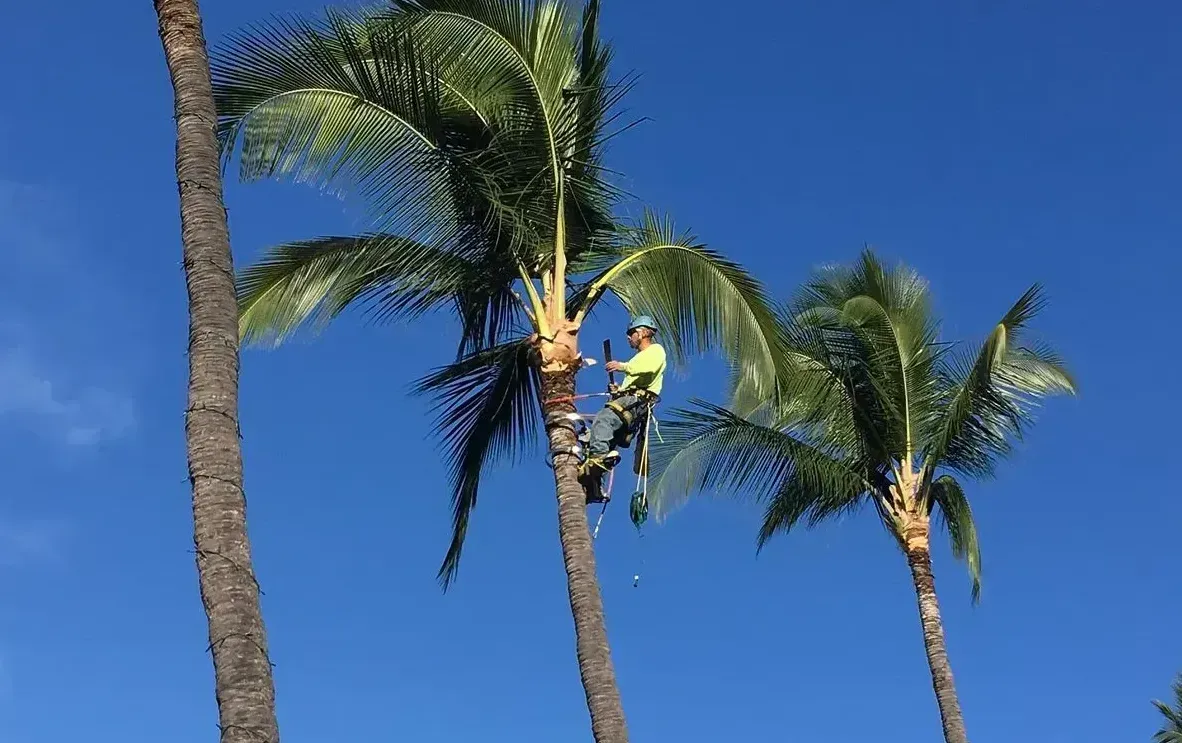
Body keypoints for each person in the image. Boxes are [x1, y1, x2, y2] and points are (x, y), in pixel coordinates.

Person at [579, 316, 666, 503]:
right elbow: (638, 378)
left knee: (604, 419)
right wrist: (618, 390)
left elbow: (648, 368)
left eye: (631, 333)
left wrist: (622, 366)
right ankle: (593, 487)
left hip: (636, 402)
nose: (628, 338)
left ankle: (598, 458)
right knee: (596, 435)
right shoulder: (639, 358)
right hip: (632, 401)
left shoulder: (655, 351)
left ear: (642, 332)